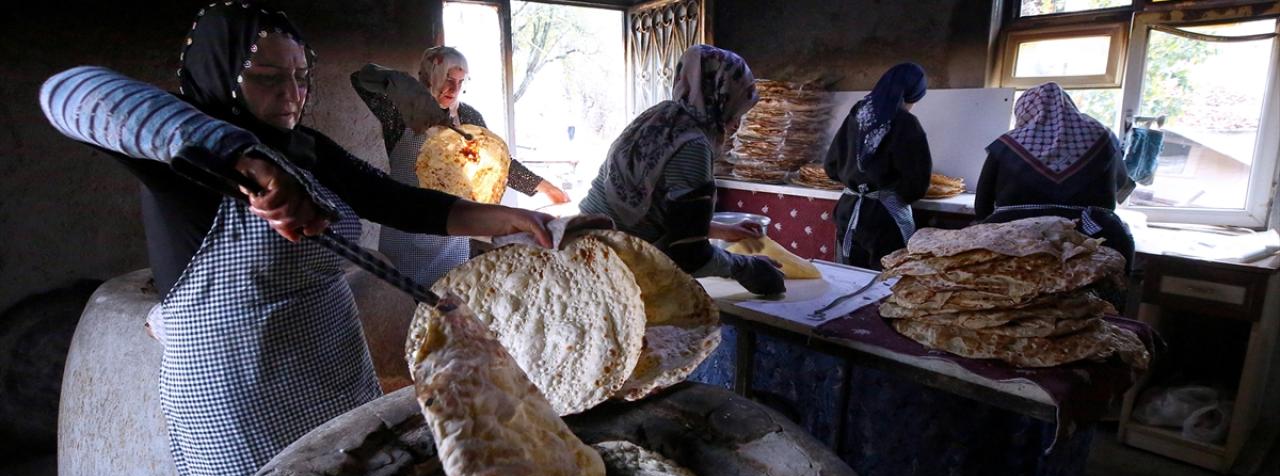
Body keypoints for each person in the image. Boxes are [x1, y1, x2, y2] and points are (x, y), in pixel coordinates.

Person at [40, 1, 552, 476]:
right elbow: (66, 91)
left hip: (333, 365)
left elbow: (396, 201)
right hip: (239, 390)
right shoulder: (181, 153)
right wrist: (240, 159)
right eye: (266, 78)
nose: (291, 94)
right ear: (219, 72)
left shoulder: (304, 147)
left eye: (301, 77)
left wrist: (512, 219)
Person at [578, 44, 784, 296]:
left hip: (584, 245)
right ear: (719, 97)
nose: (737, 123)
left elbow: (652, 210)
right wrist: (746, 268)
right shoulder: (693, 146)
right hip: (615, 267)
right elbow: (689, 256)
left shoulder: (659, 117)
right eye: (736, 109)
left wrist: (718, 229)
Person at [352, 47, 570, 285]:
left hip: (452, 230)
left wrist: (546, 188)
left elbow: (498, 163)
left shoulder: (467, 116)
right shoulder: (400, 111)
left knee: (450, 294)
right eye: (447, 78)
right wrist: (407, 88)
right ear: (430, 75)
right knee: (405, 299)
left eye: (460, 81)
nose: (454, 89)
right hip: (405, 228)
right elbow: (360, 79)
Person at [974, 81, 1134, 271]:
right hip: (1091, 235)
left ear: (1025, 112)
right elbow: (1120, 185)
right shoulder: (1104, 137)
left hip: (1013, 237)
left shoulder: (1008, 144)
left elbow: (982, 205)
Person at [824, 62, 932, 270]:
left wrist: (857, 181)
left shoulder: (857, 114)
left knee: (851, 278)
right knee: (886, 281)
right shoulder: (906, 123)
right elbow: (916, 186)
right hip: (883, 218)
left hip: (848, 211)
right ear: (911, 95)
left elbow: (831, 166)